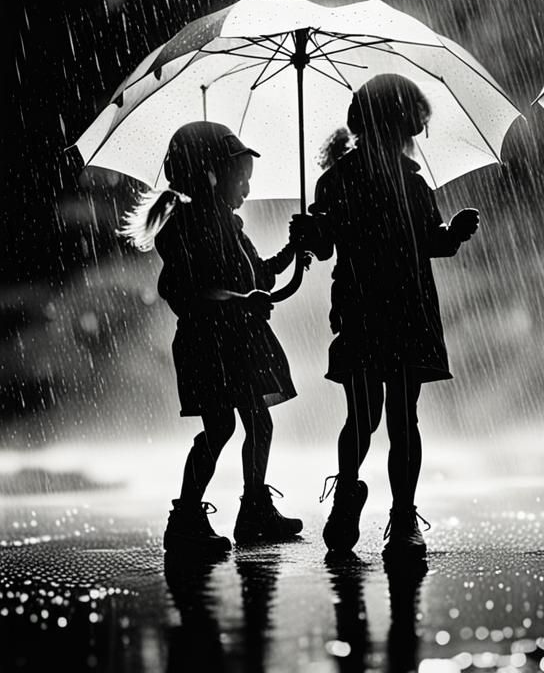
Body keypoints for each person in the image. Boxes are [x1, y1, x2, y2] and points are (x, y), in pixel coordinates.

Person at [290, 74, 480, 558]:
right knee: (370, 416)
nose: (402, 139)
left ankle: (401, 515)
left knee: (396, 416)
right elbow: (328, 244)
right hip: (367, 311)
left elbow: (431, 242)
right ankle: (353, 494)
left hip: (398, 311)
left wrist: (453, 233)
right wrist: (309, 232)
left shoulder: (413, 184)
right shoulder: (336, 181)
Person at [120, 121, 303, 554]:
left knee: (257, 421)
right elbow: (187, 291)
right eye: (241, 180)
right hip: (211, 343)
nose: (245, 190)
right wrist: (241, 301)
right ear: (210, 173)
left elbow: (257, 274)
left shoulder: (228, 224)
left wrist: (294, 250)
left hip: (239, 340)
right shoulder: (182, 225)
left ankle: (253, 507)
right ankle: (186, 516)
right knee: (221, 426)